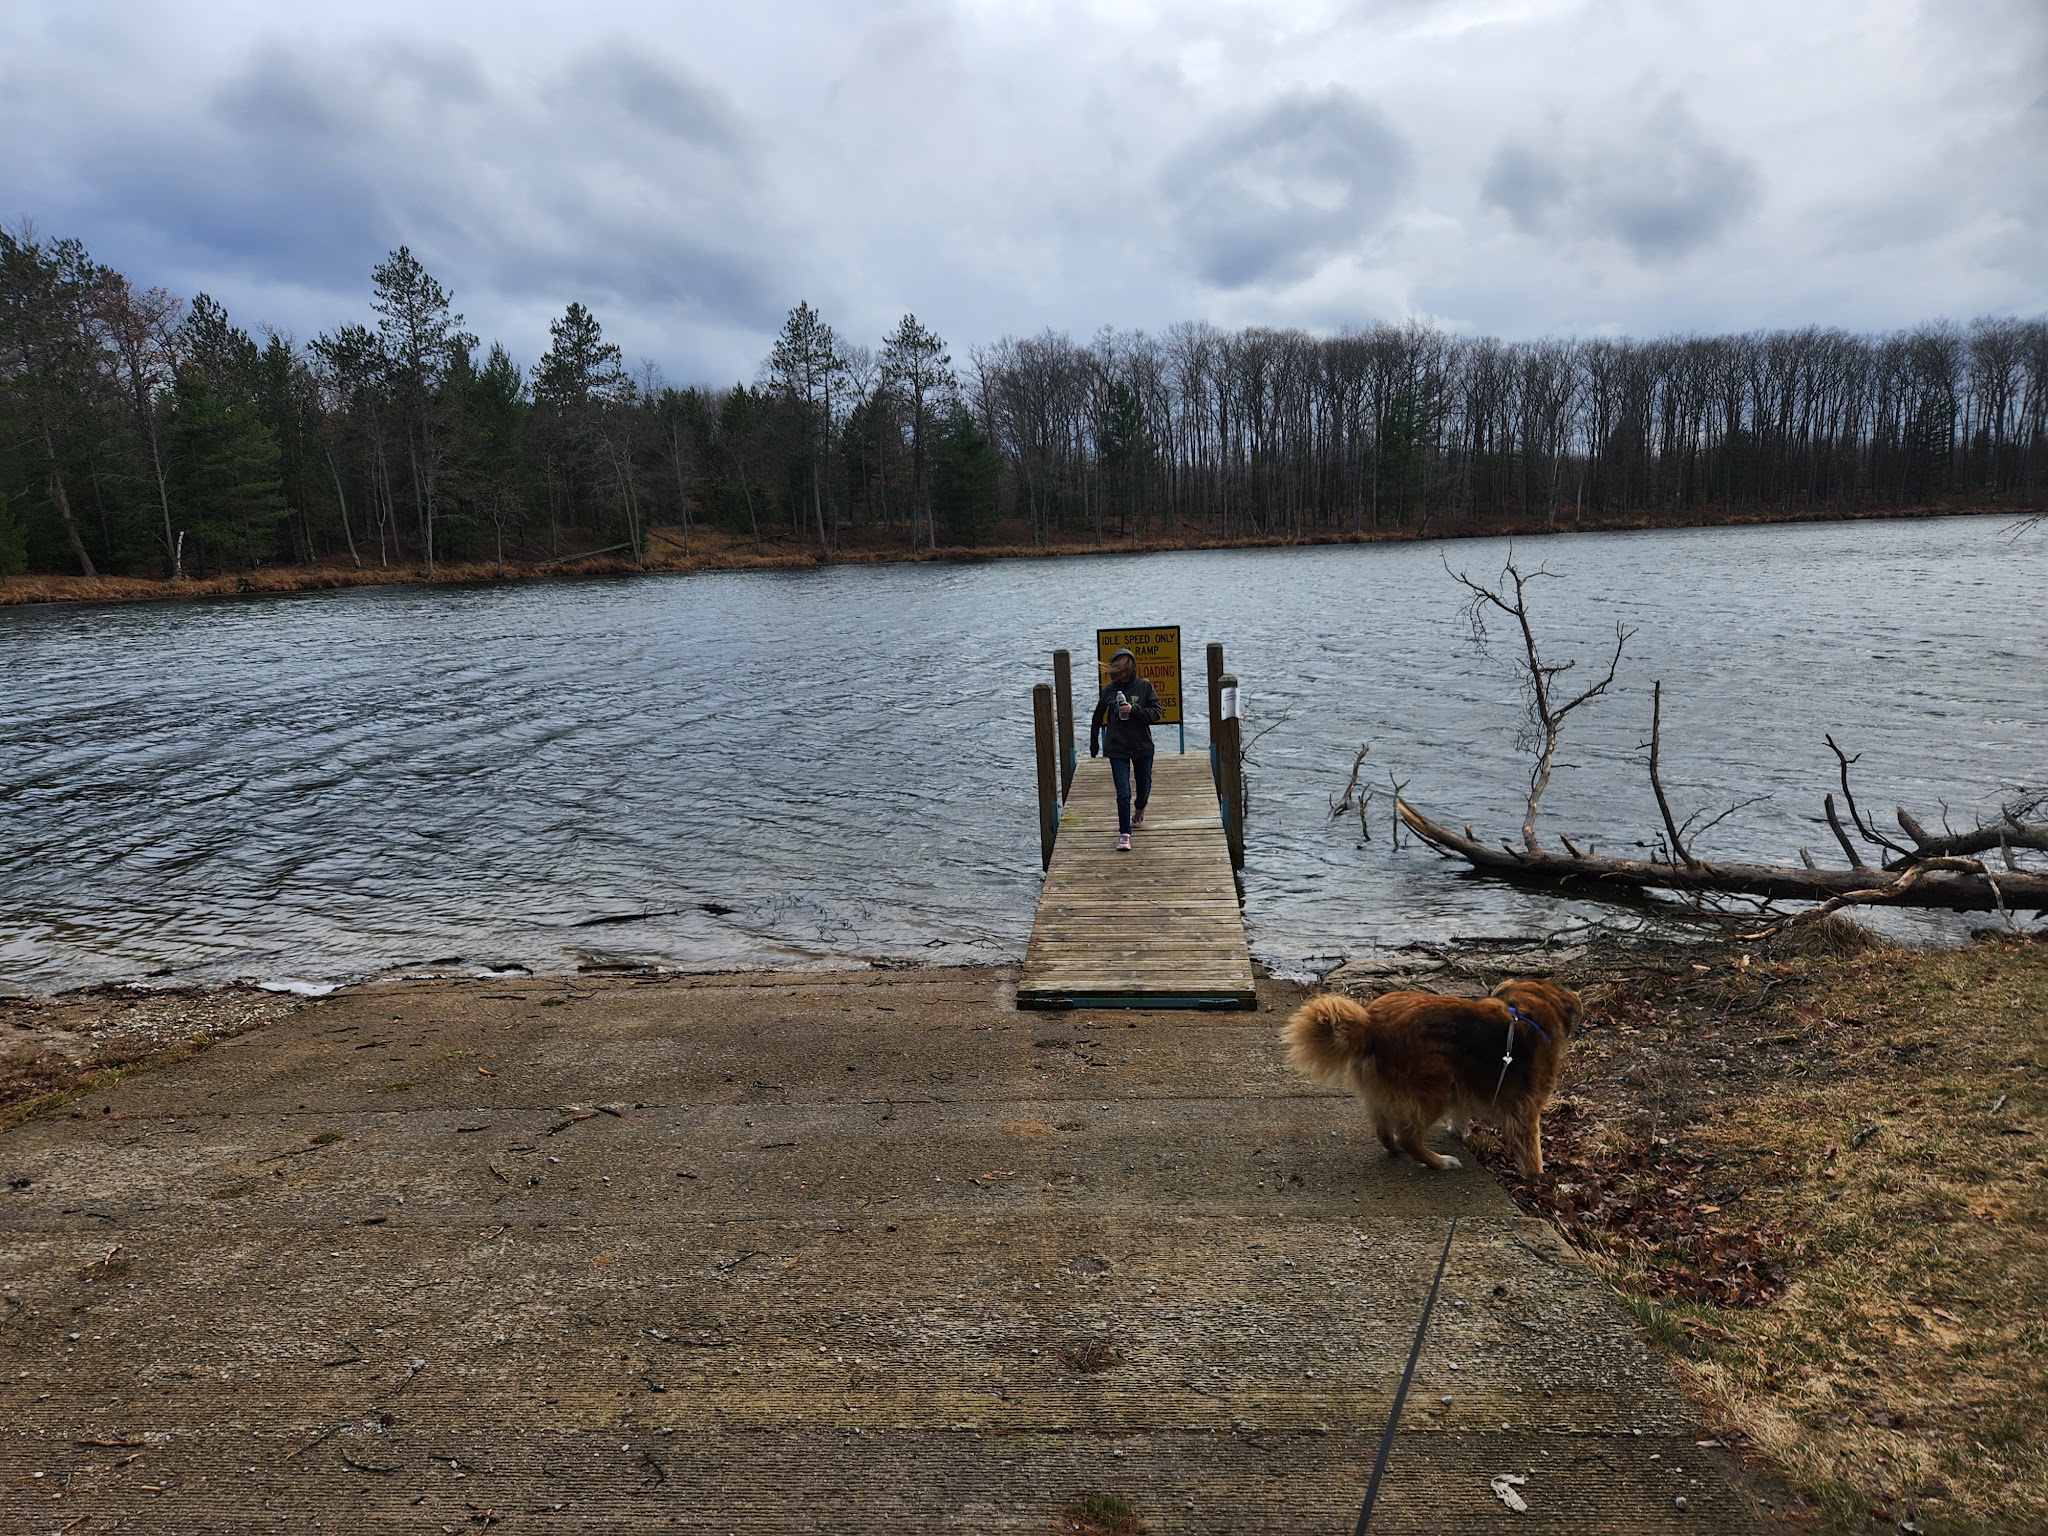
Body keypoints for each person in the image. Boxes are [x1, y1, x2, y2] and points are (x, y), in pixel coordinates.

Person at [1088, 647, 1163, 851]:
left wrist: (1135, 709)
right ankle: (1124, 833)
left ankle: (1140, 809)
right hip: (1117, 748)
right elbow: (1096, 719)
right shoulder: (1109, 691)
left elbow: (1157, 712)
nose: (1121, 676)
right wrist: (1094, 744)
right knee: (1123, 793)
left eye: (1124, 672)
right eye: (1117, 672)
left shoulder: (1144, 686)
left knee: (1143, 788)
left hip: (1142, 746)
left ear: (1131, 669)